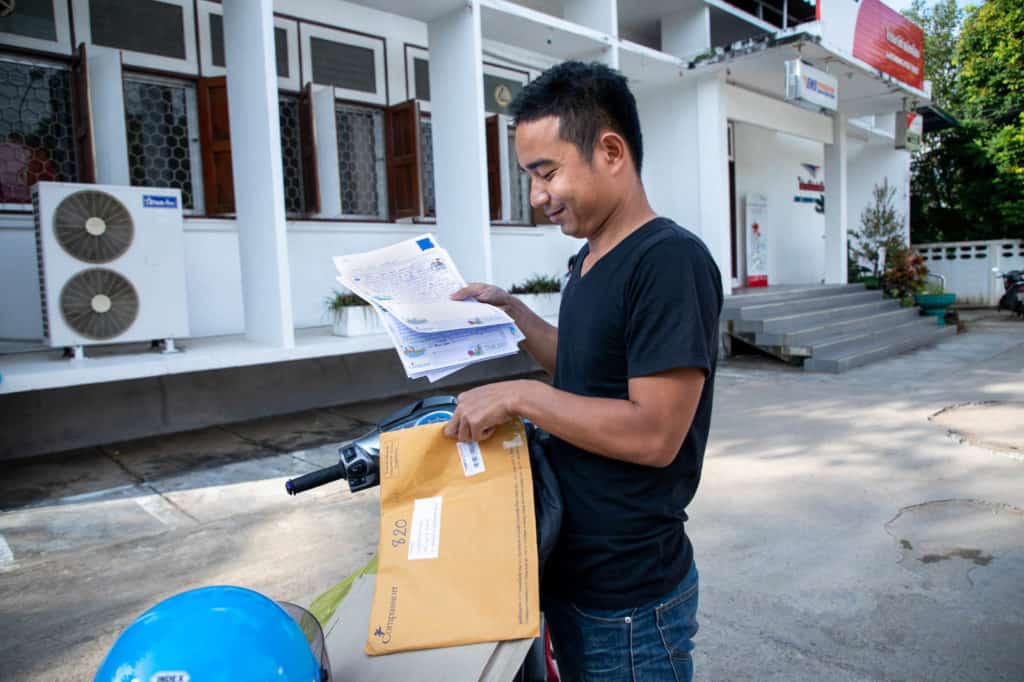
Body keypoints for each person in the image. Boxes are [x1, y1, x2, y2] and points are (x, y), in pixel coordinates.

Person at [443, 61, 723, 681]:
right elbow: (582, 363)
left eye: (548, 172)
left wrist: (519, 396)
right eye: (529, 177)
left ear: (611, 151)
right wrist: (512, 313)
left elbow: (654, 434)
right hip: (571, 572)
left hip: (630, 602)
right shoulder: (590, 258)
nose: (538, 195)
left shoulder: (669, 262)